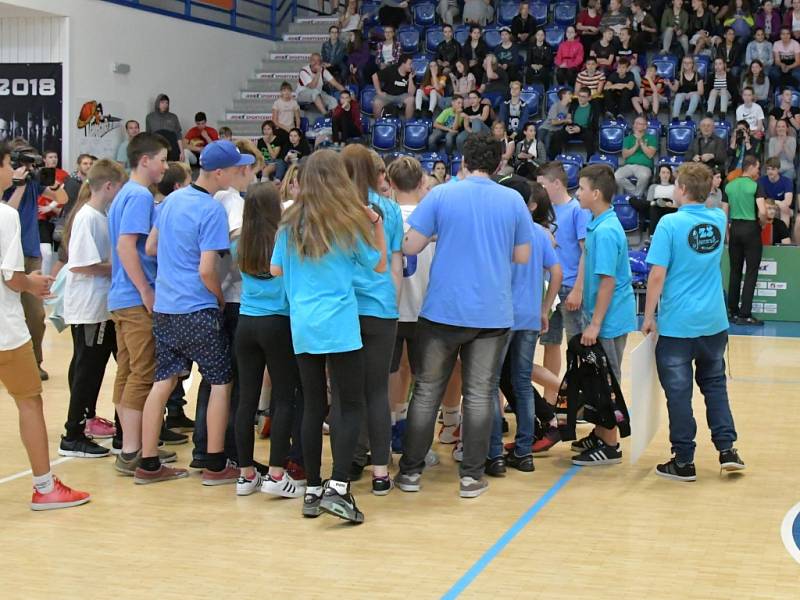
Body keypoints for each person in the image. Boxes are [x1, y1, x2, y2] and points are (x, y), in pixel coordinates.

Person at [396, 131, 533, 499]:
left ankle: (410, 472)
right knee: (479, 394)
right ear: (498, 163)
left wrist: (444, 237)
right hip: (492, 313)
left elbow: (410, 245)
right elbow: (521, 256)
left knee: (426, 392)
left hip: (443, 309)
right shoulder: (514, 201)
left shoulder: (441, 194)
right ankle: (471, 477)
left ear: (463, 161)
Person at [271, 149, 387, 523]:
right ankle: (339, 487)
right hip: (339, 323)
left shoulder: (289, 222)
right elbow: (379, 264)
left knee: (311, 404)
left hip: (303, 323)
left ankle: (312, 489)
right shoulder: (348, 221)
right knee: (348, 404)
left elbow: (274, 269)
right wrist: (376, 224)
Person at [135, 141, 255, 485]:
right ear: (220, 173)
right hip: (195, 305)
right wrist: (217, 297)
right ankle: (216, 464)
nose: (238, 173)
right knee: (221, 380)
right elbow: (207, 269)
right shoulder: (211, 209)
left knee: (164, 381)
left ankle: (148, 462)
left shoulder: (172, 199)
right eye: (235, 168)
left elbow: (151, 246)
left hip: (165, 306)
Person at [0, 141, 91, 510]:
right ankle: (44, 486)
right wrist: (33, 284)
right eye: (12, 164)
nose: (16, 170)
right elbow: (11, 278)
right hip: (5, 332)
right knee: (29, 401)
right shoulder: (4, 217)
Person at [642, 162, 746, 482]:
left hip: (678, 325)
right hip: (714, 322)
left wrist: (647, 316)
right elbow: (715, 205)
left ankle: (684, 460)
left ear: (683, 190)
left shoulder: (670, 225)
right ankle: (727, 450)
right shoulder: (718, 218)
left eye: (676, 184)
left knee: (679, 393)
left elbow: (657, 275)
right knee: (715, 386)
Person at [485, 177, 562, 476]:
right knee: (521, 383)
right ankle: (524, 450)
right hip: (530, 316)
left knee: (491, 383)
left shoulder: (500, 232)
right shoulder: (541, 234)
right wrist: (545, 308)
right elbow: (556, 272)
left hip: (501, 317)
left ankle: (493, 452)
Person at [233, 182, 304, 497]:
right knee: (284, 398)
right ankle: (276, 474)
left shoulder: (241, 242)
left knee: (246, 400)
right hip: (278, 322)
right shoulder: (284, 240)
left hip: (246, 323)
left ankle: (246, 474)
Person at [342, 146, 404, 493]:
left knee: (346, 391)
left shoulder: (334, 207)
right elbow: (395, 265)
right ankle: (381, 471)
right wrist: (391, 305)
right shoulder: (389, 208)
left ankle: (349, 462)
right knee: (377, 390)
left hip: (344, 307)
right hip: (380, 307)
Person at [107, 132, 169, 475]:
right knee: (142, 373)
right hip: (133, 297)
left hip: (120, 296)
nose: (165, 166)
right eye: (161, 159)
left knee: (128, 370)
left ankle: (130, 444)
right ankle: (133, 450)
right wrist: (146, 290)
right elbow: (126, 247)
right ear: (144, 160)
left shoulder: (122, 196)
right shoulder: (139, 197)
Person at [58, 159, 127, 459]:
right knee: (88, 369)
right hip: (89, 307)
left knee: (95, 367)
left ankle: (92, 425)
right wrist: (117, 268)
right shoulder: (87, 217)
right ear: (109, 186)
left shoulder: (100, 215)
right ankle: (72, 434)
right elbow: (82, 264)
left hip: (101, 306)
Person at [571, 164, 637, 466]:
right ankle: (601, 432)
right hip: (600, 316)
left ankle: (610, 444)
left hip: (608, 321)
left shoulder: (608, 231)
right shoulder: (598, 223)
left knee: (607, 379)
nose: (577, 193)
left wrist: (595, 323)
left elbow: (608, 281)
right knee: (596, 378)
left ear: (596, 193)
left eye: (582, 188)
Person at [3, 139, 67, 381]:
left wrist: (51, 181)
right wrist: (18, 185)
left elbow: (61, 198)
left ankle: (35, 362)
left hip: (29, 254)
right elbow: (7, 212)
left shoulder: (34, 182)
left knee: (35, 315)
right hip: (6, 254)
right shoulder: (7, 184)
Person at [536, 161, 590, 442]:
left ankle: (577, 398)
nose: (541, 189)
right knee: (550, 341)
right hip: (548, 285)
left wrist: (579, 288)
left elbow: (585, 252)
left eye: (543, 184)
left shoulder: (576, 211)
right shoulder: (547, 211)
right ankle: (551, 397)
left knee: (576, 345)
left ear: (556, 183)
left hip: (569, 285)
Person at [384, 157, 433, 456]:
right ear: (421, 183)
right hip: (424, 309)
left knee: (390, 371)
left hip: (389, 308)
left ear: (389, 183)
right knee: (424, 379)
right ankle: (417, 442)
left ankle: (389, 431)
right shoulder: (431, 217)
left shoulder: (384, 216)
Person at [724, 155, 766, 326]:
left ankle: (732, 311)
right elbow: (762, 211)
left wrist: (728, 233)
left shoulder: (729, 185)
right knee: (751, 272)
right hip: (751, 229)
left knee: (735, 271)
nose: (758, 171)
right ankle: (745, 314)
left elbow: (724, 212)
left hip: (734, 229)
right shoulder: (756, 185)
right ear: (751, 167)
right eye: (757, 167)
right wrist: (761, 224)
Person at [550, 87, 599, 159]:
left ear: (589, 98)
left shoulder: (593, 108)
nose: (580, 98)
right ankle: (556, 159)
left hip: (585, 130)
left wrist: (580, 129)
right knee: (556, 135)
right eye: (579, 96)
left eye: (583, 97)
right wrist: (566, 127)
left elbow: (594, 126)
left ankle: (590, 161)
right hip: (572, 128)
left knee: (590, 137)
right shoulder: (574, 105)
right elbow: (568, 119)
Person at [615, 116, 657, 199]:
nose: (635, 125)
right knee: (616, 176)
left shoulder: (652, 138)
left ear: (645, 126)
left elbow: (650, 154)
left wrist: (641, 143)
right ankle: (637, 195)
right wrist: (635, 146)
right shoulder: (628, 139)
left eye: (639, 124)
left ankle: (635, 196)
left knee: (644, 176)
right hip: (629, 166)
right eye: (635, 123)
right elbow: (624, 155)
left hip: (644, 167)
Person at [631, 164, 677, 239]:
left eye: (668, 173)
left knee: (656, 205)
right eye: (663, 172)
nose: (665, 175)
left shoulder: (674, 187)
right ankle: (653, 236)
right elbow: (649, 202)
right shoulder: (653, 186)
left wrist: (671, 204)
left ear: (670, 174)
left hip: (670, 207)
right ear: (659, 174)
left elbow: (677, 202)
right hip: (655, 206)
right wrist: (656, 203)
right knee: (653, 205)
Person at [372, 54, 416, 120]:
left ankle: (407, 124)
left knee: (411, 100)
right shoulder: (391, 69)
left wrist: (410, 78)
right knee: (376, 103)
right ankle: (378, 124)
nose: (412, 66)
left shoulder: (411, 73)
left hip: (402, 96)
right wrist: (379, 92)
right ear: (403, 64)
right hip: (388, 95)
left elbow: (411, 93)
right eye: (410, 64)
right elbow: (374, 76)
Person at [145, 93, 184, 161]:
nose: (165, 105)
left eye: (167, 103)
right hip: (157, 148)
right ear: (157, 103)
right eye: (162, 102)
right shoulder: (150, 117)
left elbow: (178, 135)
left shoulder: (173, 117)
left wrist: (182, 152)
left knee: (172, 168)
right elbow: (148, 135)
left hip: (172, 147)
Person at [758, 156, 794, 225]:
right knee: (761, 210)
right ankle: (763, 234)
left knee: (785, 210)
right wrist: (777, 203)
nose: (770, 172)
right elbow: (760, 200)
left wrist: (776, 204)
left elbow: (788, 202)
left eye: (773, 169)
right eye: (768, 169)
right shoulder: (761, 181)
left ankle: (783, 234)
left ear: (778, 169)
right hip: (768, 207)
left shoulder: (787, 181)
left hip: (781, 208)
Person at [540, 88, 572, 158]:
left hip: (555, 130)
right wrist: (565, 120)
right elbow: (553, 122)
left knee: (548, 146)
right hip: (545, 128)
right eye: (569, 94)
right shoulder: (555, 106)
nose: (571, 96)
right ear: (563, 96)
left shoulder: (570, 107)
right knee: (541, 144)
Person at [670, 56, 704, 120]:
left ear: (692, 64)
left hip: (694, 94)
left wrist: (691, 93)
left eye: (689, 63)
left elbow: (701, 91)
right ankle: (675, 116)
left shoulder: (698, 75)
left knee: (695, 96)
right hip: (682, 94)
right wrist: (669, 84)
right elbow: (675, 89)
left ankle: (689, 115)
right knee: (678, 95)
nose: (687, 64)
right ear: (682, 64)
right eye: (685, 63)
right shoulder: (679, 74)